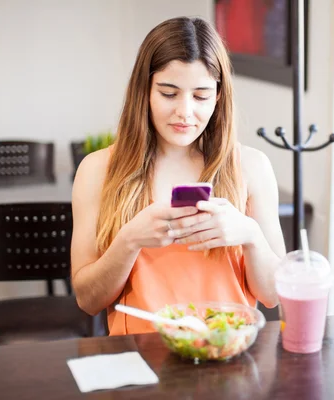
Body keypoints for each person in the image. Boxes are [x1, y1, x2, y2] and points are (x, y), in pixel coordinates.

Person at [70, 17, 286, 335]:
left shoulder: (252, 166)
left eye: (200, 96)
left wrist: (250, 235)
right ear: (144, 92)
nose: (185, 112)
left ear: (218, 96)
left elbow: (272, 296)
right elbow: (88, 300)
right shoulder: (98, 169)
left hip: (227, 357)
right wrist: (129, 240)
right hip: (139, 359)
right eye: (169, 94)